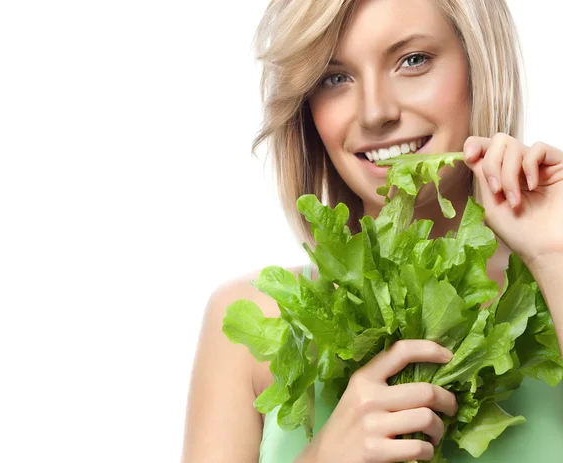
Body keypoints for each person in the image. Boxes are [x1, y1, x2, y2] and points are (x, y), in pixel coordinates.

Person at [181, 0, 563, 461]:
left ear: (480, 67)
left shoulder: (552, 285)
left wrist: (553, 257)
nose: (375, 112)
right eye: (335, 77)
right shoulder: (251, 325)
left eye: (413, 61)